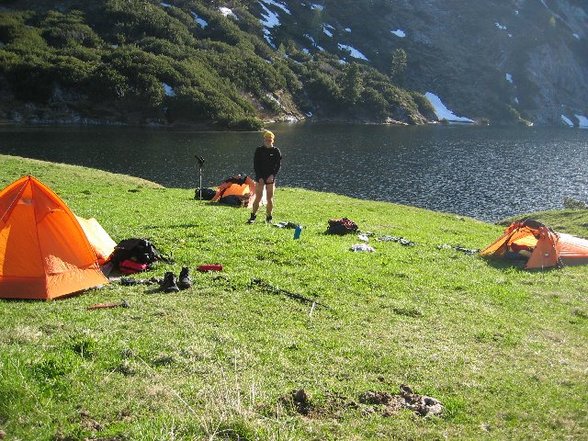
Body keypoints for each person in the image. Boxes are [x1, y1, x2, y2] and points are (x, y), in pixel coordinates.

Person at [247, 130, 282, 224]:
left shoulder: (276, 151)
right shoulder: (259, 150)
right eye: (267, 139)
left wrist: (272, 176)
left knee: (269, 198)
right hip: (260, 177)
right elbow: (256, 165)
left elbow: (278, 166)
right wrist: (259, 177)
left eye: (270, 139)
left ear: (273, 140)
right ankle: (253, 216)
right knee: (258, 197)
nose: (268, 141)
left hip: (270, 178)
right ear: (264, 139)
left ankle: (269, 217)